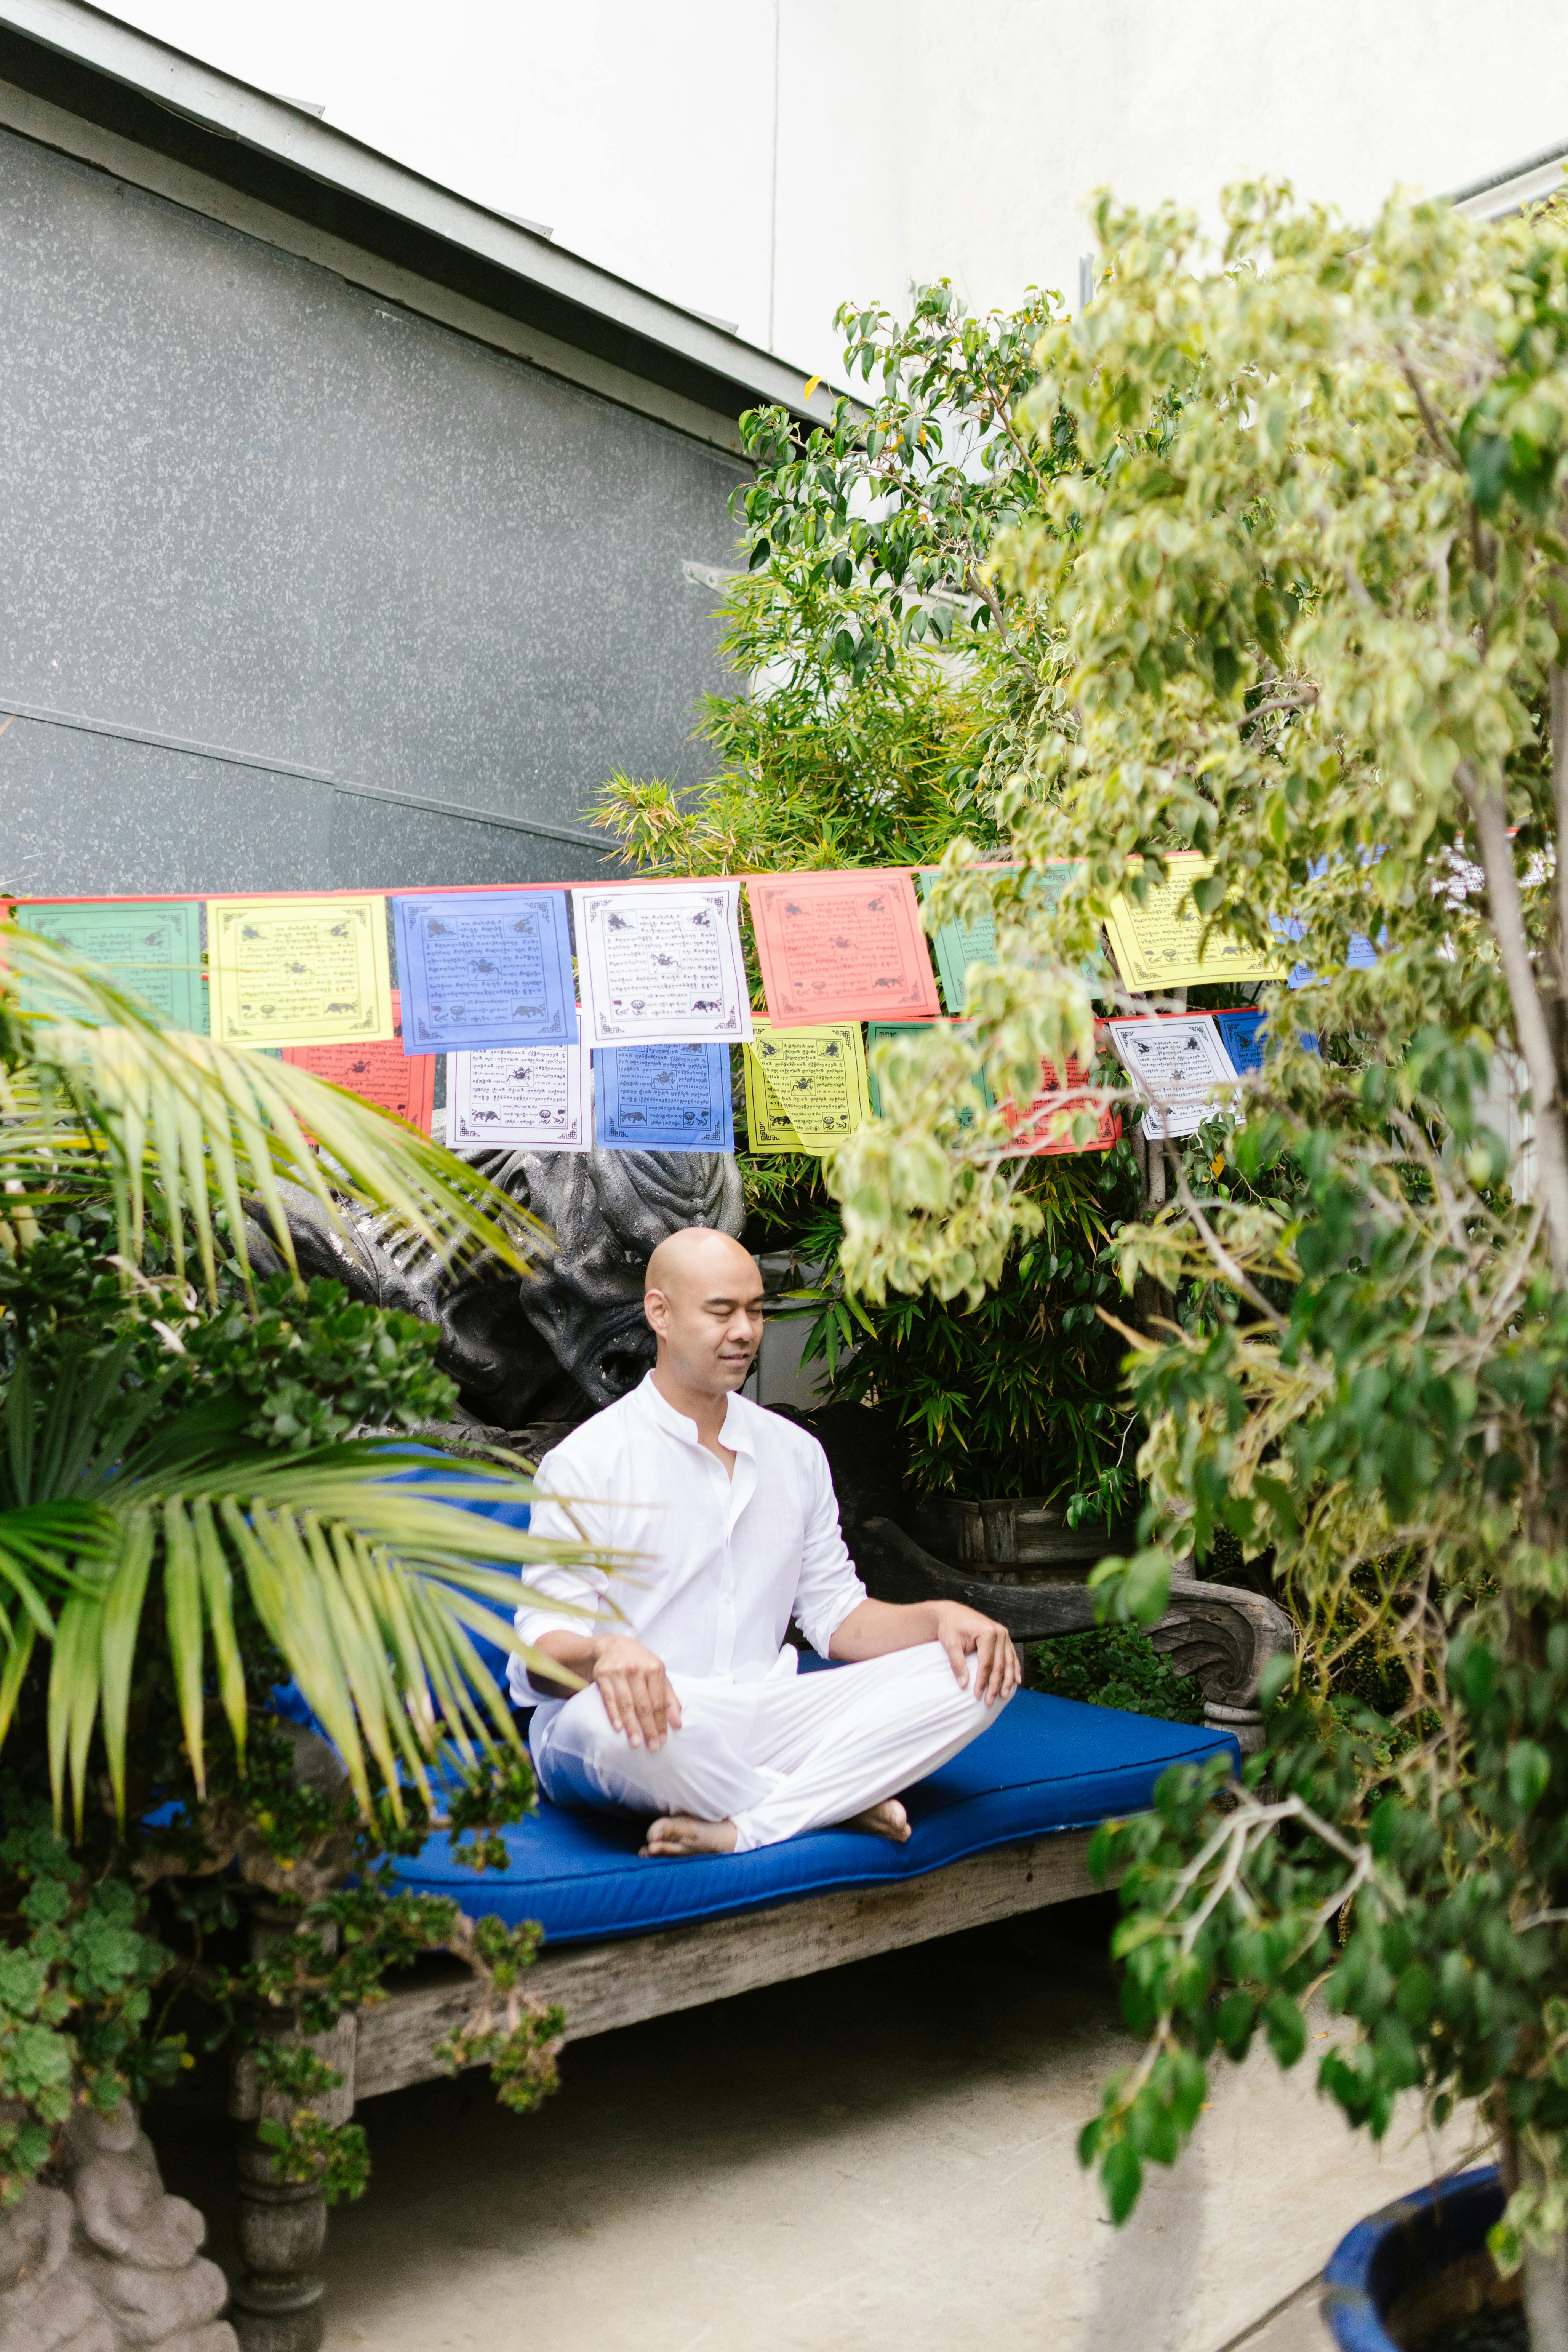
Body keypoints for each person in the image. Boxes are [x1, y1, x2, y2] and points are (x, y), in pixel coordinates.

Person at [511, 1224, 1019, 1859]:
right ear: (659, 1313)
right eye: (721, 1311)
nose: (746, 1330)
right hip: (643, 1723)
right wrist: (607, 1651)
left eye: (755, 1309)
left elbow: (838, 1618)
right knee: (605, 1728)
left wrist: (940, 1617)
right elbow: (537, 1652)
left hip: (767, 1712)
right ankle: (832, 1798)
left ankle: (753, 1821)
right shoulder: (588, 1462)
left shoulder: (796, 1453)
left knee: (979, 1673)